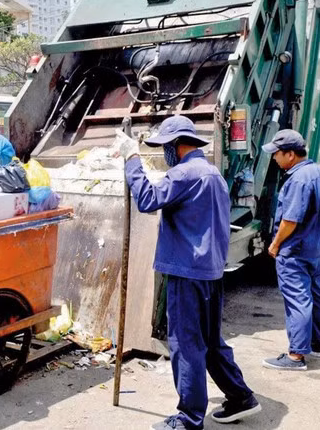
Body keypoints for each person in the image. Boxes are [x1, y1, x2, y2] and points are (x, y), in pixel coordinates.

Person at [115, 116, 261, 430]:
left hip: (187, 272)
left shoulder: (183, 173)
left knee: (186, 344)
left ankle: (190, 417)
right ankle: (241, 397)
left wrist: (132, 160)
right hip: (211, 271)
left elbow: (147, 199)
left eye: (166, 147)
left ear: (177, 145)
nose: (165, 153)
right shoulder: (213, 174)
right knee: (210, 342)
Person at [261, 129, 320, 371]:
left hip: (295, 250)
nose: (274, 158)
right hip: (315, 248)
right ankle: (315, 344)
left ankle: (295, 356)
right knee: (315, 293)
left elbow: (290, 220)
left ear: (290, 154)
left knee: (297, 299)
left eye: (277, 153)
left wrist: (275, 244)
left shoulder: (298, 180)